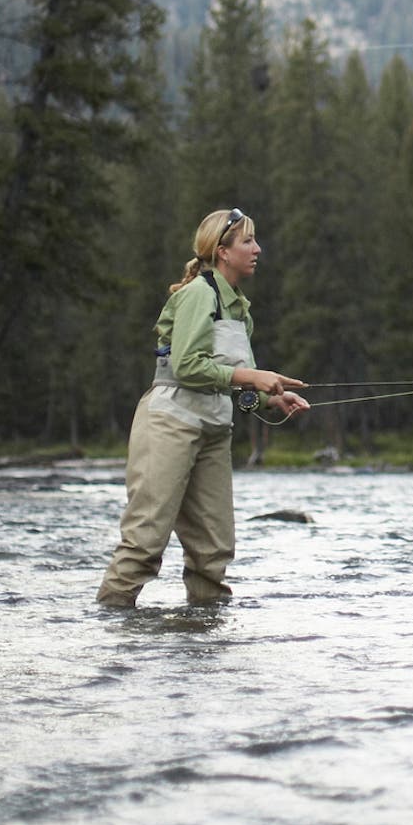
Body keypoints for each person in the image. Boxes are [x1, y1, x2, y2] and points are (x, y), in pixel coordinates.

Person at [98, 208, 309, 607]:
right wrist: (253, 377)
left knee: (213, 549)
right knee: (145, 540)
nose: (257, 249)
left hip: (214, 428)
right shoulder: (199, 293)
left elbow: (229, 374)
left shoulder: (238, 308)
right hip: (170, 422)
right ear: (223, 252)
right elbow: (188, 365)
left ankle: (206, 643)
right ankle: (113, 638)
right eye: (248, 241)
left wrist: (270, 397)